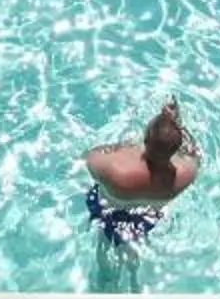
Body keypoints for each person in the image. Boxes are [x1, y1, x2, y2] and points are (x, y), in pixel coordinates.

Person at [84, 99, 201, 239]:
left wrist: (123, 147)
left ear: (145, 140)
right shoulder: (187, 173)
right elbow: (192, 151)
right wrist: (178, 124)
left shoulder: (116, 170)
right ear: (176, 150)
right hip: (146, 220)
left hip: (108, 212)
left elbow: (91, 156)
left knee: (103, 238)